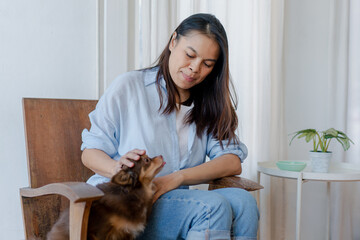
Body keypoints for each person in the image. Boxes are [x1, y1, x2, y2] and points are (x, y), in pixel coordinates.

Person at [81, 13, 259, 240]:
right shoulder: (129, 86)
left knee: (244, 203)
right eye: (190, 55)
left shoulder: (209, 103)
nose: (195, 68)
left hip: (173, 202)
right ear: (173, 41)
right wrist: (117, 168)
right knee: (212, 206)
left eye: (207, 64)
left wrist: (178, 177)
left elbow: (231, 161)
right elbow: (90, 153)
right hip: (125, 207)